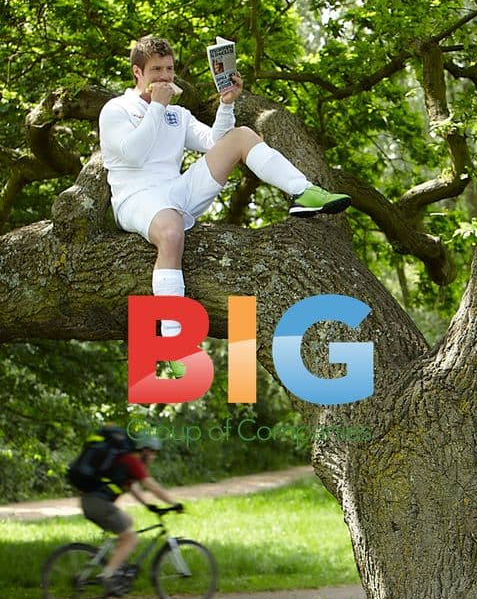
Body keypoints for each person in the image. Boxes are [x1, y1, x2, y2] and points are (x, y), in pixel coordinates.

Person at [99, 35, 352, 363]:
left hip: (176, 191)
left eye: (169, 69)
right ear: (138, 72)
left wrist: (227, 103)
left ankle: (302, 192)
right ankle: (172, 337)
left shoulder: (178, 115)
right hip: (136, 198)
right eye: (156, 70)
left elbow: (215, 142)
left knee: (241, 136)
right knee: (172, 233)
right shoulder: (116, 110)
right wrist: (157, 107)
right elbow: (133, 154)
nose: (165, 77)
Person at [80, 434, 177, 593]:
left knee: (128, 522)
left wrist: (148, 505)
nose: (154, 457)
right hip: (98, 504)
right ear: (145, 450)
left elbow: (131, 488)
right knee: (131, 538)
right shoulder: (132, 461)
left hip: (91, 502)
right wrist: (174, 503)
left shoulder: (125, 462)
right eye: (153, 452)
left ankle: (115, 565)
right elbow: (152, 486)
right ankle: (107, 575)